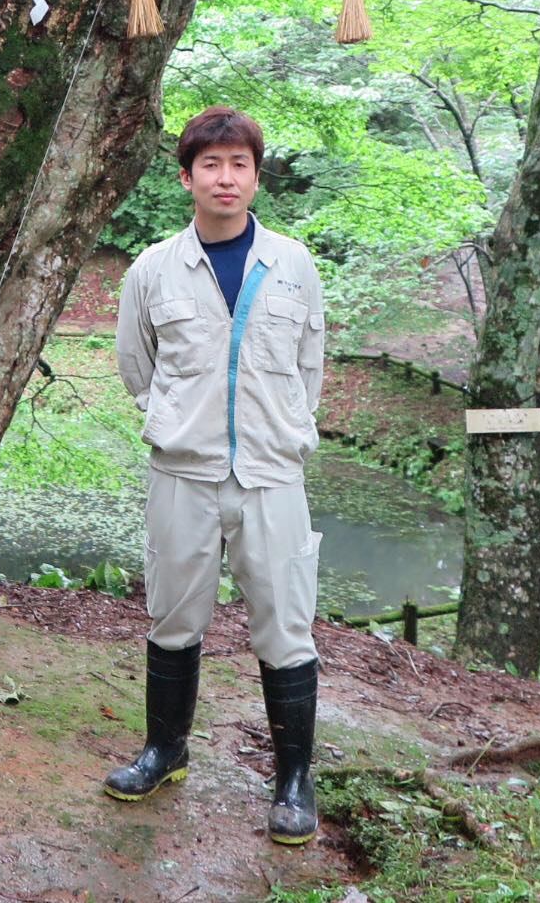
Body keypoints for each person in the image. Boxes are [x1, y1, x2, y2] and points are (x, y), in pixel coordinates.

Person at [108, 105, 327, 845]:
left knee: (285, 625)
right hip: (184, 472)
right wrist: (175, 417)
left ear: (256, 176)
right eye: (211, 164)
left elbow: (309, 366)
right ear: (187, 177)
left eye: (239, 164)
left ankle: (293, 779)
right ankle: (164, 750)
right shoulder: (153, 269)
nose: (225, 177)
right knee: (173, 616)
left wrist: (284, 429)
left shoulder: (294, 265)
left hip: (271, 474)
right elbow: (137, 365)